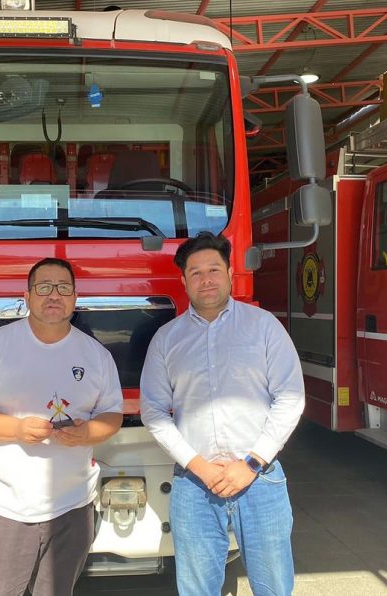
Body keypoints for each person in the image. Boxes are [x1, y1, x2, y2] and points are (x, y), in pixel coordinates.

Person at [140, 232, 305, 596]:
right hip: (194, 484)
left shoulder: (264, 327)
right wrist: (198, 465)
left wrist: (250, 464)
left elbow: (290, 398)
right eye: (196, 273)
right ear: (183, 281)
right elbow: (153, 411)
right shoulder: (167, 339)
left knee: (274, 587)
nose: (206, 279)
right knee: (197, 589)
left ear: (230, 273)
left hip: (260, 480)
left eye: (214, 269)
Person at [0, 257, 124, 596]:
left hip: (73, 508)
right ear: (27, 297)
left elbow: (112, 414)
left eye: (64, 288)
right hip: (7, 509)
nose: (54, 295)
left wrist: (88, 433)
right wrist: (17, 429)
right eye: (43, 287)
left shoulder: (96, 355)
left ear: (75, 298)